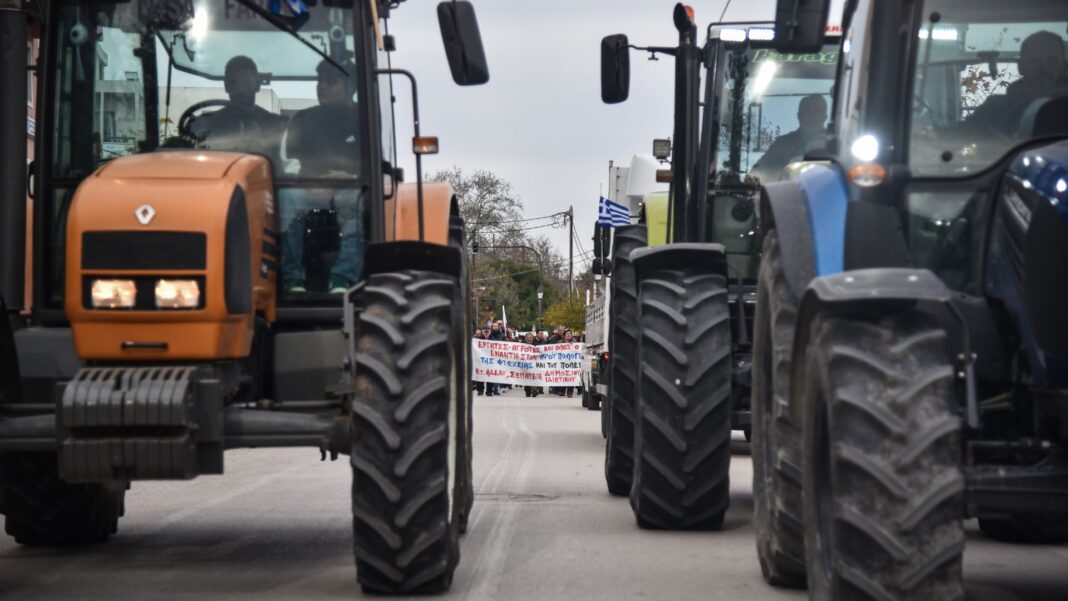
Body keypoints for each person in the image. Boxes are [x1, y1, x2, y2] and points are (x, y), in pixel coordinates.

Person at [281, 59, 363, 294]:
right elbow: (289, 163)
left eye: (331, 81)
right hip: (308, 190)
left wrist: (351, 176)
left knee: (356, 197)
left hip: (352, 188)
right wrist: (309, 183)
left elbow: (374, 159)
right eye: (320, 81)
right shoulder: (302, 120)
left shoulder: (365, 119)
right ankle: (292, 278)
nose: (322, 86)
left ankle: (342, 278)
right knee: (287, 196)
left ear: (351, 86)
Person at [962, 31, 1068, 136]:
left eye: (1052, 61)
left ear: (1063, 67)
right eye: (1035, 61)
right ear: (1020, 67)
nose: (1044, 68)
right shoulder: (994, 108)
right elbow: (959, 135)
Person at [189, 56, 287, 158]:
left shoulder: (275, 125)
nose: (240, 90)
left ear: (257, 85)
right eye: (233, 83)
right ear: (226, 86)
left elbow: (284, 166)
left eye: (246, 83)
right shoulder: (206, 123)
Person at [750, 95, 829, 182]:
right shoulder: (782, 144)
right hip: (785, 193)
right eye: (807, 111)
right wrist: (752, 179)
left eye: (816, 112)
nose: (811, 116)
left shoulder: (835, 144)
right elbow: (759, 171)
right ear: (799, 116)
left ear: (825, 117)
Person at [523, 332, 541, 398]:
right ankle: (527, 392)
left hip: (534, 365)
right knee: (526, 378)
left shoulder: (536, 345)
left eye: (530, 337)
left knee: (533, 377)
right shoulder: (521, 346)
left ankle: (534, 391)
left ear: (532, 338)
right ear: (525, 338)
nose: (529, 339)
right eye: (527, 338)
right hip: (525, 364)